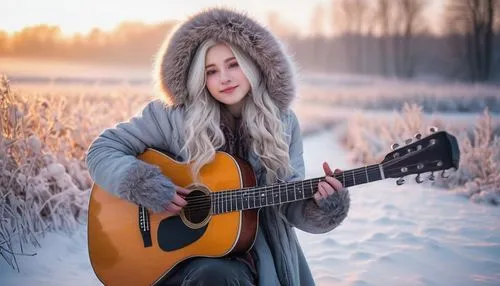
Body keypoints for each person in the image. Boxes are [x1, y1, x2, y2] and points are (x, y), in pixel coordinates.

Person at [86, 8, 350, 286]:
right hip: (174, 258)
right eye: (211, 71)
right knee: (214, 275)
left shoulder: (282, 123)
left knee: (219, 276)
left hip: (256, 259)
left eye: (233, 64)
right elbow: (102, 150)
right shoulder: (172, 117)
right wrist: (144, 185)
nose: (224, 78)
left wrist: (322, 206)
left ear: (253, 64)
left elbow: (288, 204)